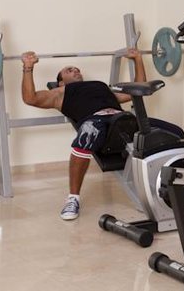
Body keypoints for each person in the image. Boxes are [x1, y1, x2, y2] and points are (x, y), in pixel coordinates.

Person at [21, 49, 147, 220]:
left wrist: (138, 59)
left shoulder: (101, 86)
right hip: (95, 122)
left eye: (77, 69)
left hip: (122, 119)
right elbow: (30, 98)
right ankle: (73, 199)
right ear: (61, 83)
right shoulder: (60, 93)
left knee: (164, 132)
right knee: (88, 132)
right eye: (69, 70)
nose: (75, 70)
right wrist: (28, 67)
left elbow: (139, 89)